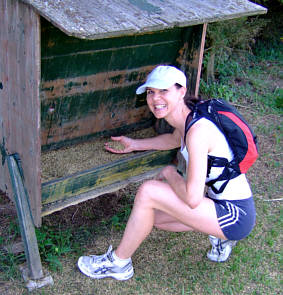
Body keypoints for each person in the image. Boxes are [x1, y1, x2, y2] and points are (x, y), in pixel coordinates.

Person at [77, 65, 256, 280]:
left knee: (148, 192)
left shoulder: (198, 132)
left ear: (181, 92)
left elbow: (192, 199)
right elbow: (172, 140)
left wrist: (170, 173)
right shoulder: (188, 118)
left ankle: (118, 263)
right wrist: (135, 144)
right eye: (151, 92)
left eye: (164, 91)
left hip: (235, 215)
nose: (155, 98)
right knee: (155, 218)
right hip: (217, 202)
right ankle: (219, 237)